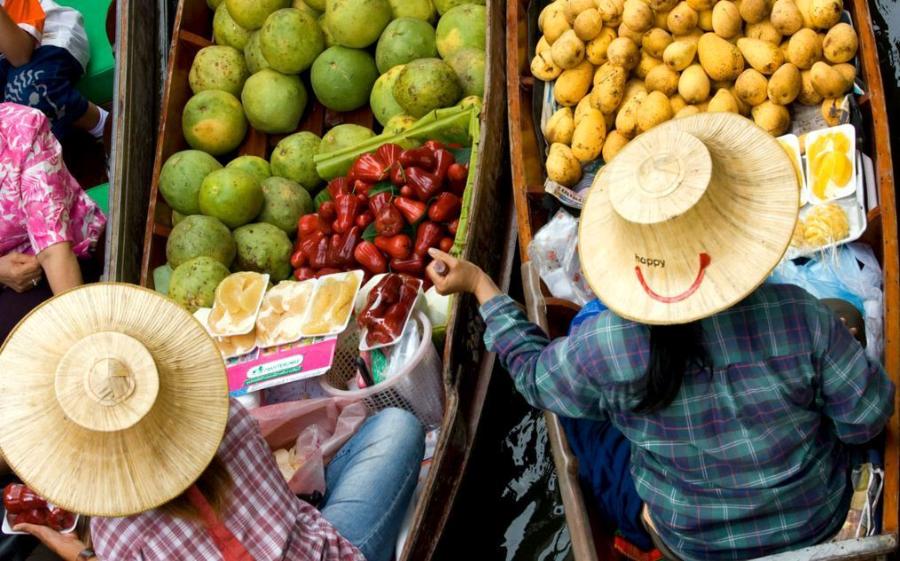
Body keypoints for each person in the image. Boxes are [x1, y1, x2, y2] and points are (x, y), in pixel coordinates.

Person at [425, 113, 895, 561]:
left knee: (575, 405)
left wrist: (481, 286)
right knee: (843, 323)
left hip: (691, 544)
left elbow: (532, 377)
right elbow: (866, 420)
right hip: (815, 522)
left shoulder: (606, 343)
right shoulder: (798, 315)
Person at [0, 283, 425, 561]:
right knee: (397, 426)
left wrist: (77, 554)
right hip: (318, 551)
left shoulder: (118, 538)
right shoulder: (229, 420)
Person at [0, 102, 106, 343]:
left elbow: (53, 249)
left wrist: (83, 343)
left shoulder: (22, 129)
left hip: (56, 259)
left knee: (23, 343)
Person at [0, 0, 110, 142]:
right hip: (5, 65)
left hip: (45, 39)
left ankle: (105, 126)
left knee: (28, 92)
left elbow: (21, 55)